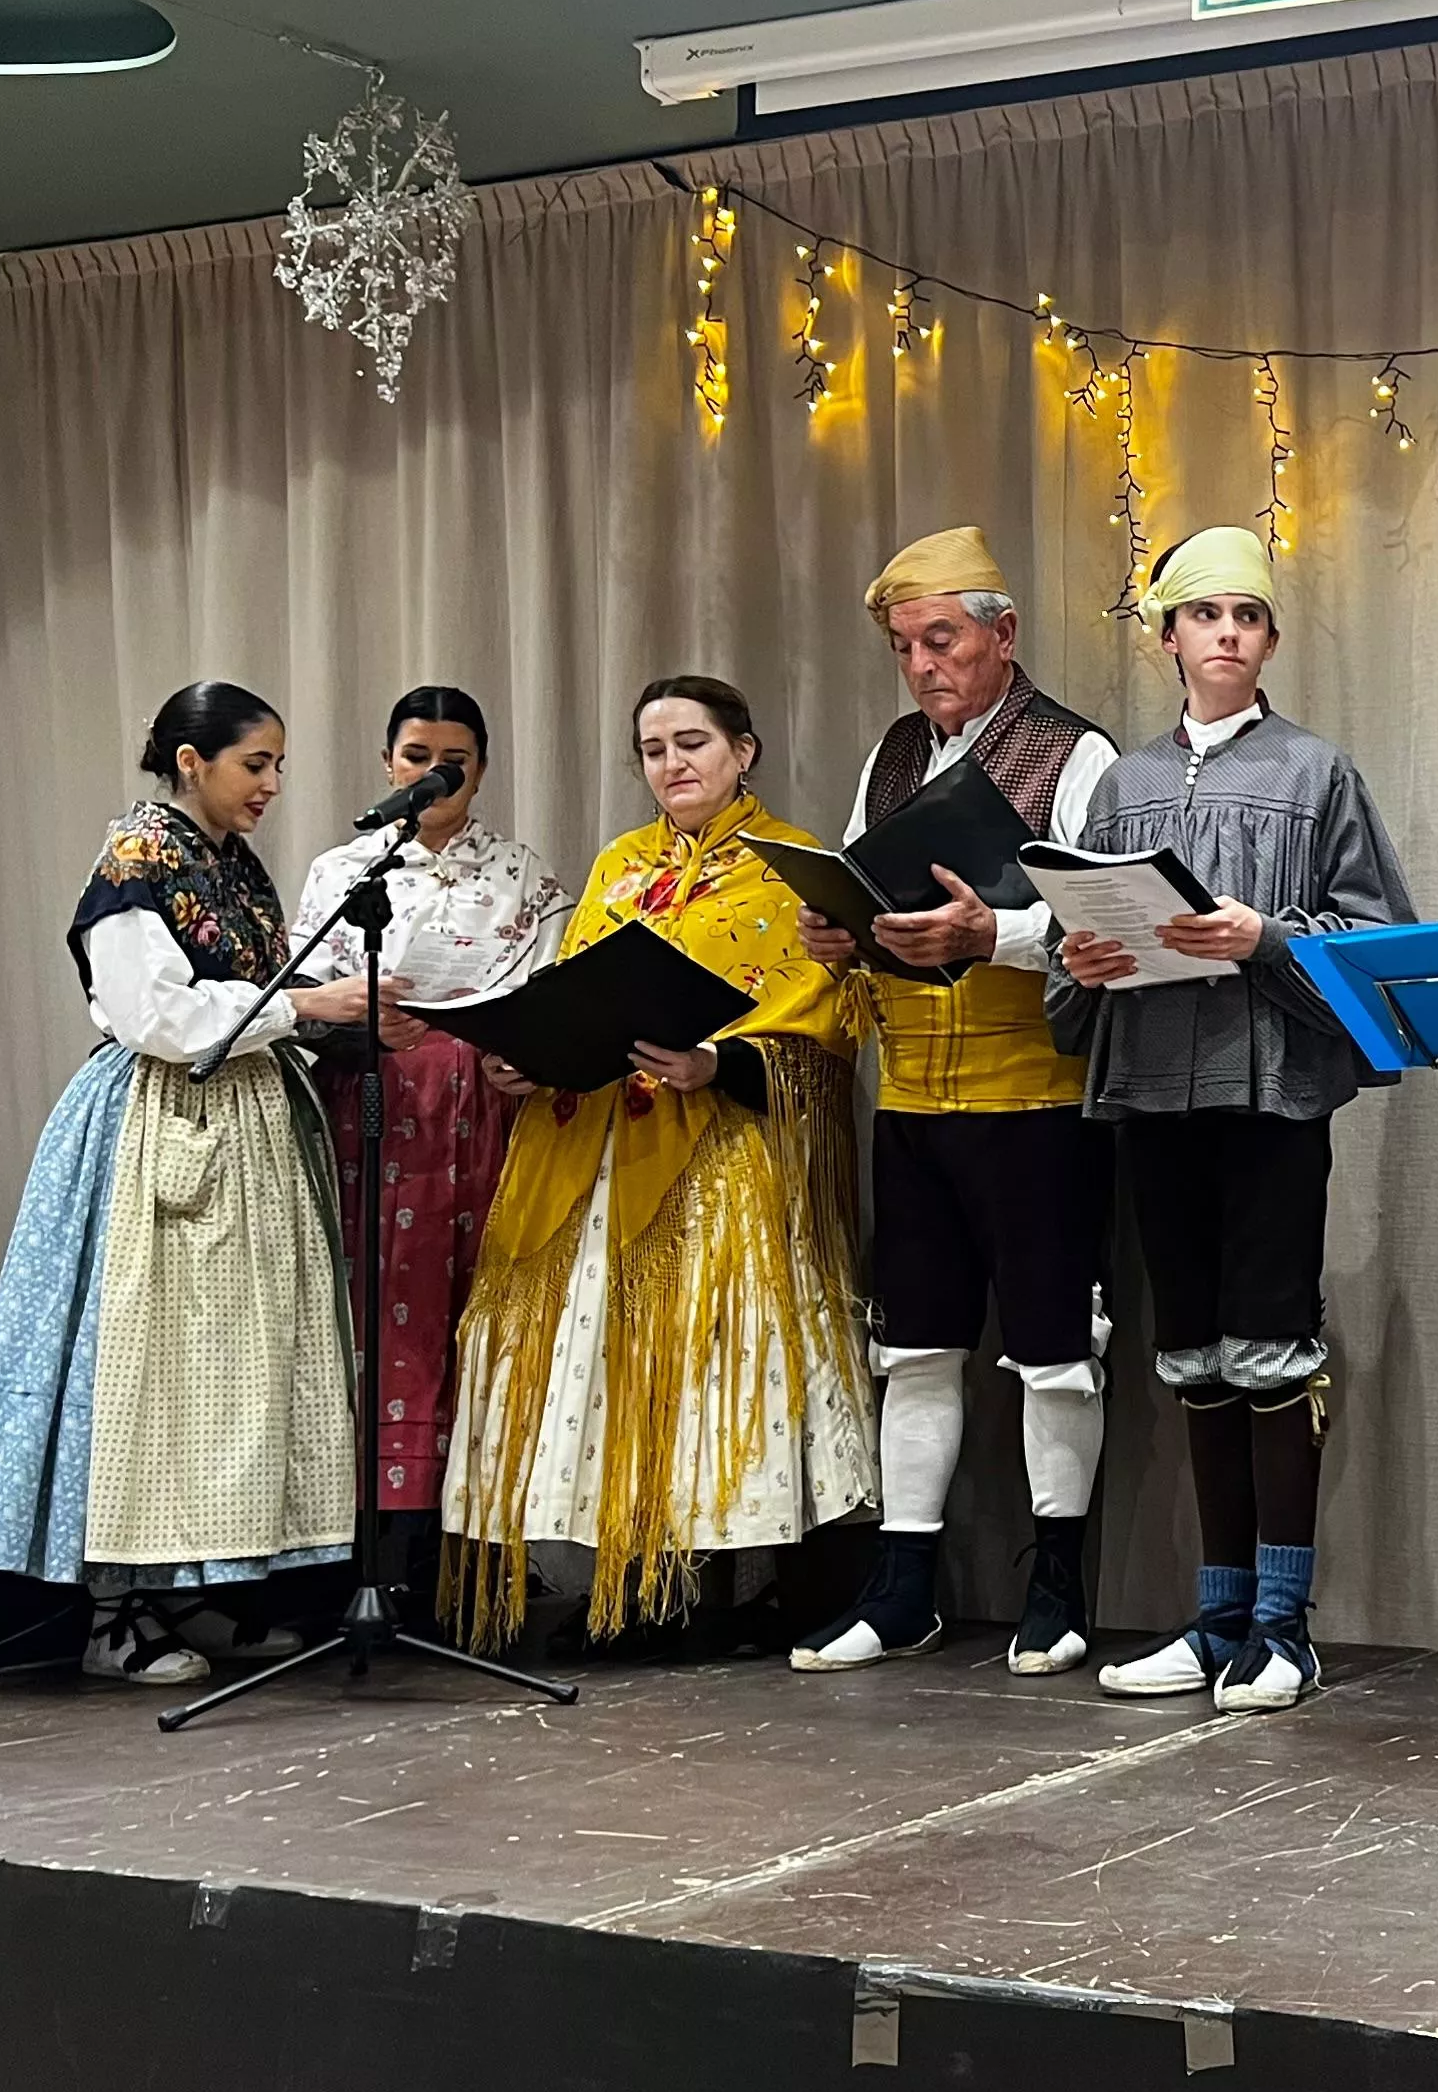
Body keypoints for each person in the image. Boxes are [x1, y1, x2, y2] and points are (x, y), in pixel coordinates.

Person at [0, 684, 369, 1690]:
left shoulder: (226, 862)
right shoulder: (139, 861)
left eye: (275, 765)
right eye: (254, 763)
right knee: (144, 1365)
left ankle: (188, 1585)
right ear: (190, 759)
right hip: (164, 1122)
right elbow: (157, 1017)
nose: (271, 783)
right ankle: (114, 1611)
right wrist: (307, 1004)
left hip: (243, 1117)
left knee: (223, 1373)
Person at [439, 676, 875, 1652]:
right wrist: (530, 1055)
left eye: (693, 744)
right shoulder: (621, 864)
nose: (673, 765)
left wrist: (717, 1061)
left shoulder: (791, 865)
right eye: (654, 750)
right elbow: (576, 992)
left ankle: (721, 1585)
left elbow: (821, 1022)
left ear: (744, 753)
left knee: (713, 1361)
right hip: (600, 1145)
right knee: (597, 1363)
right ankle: (630, 1588)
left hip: (724, 1153)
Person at [1056, 526, 1412, 1714]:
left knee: (1272, 1356)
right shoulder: (1123, 787)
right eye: (1203, 616)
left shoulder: (1318, 774)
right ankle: (1214, 1619)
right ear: (1169, 637)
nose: (1225, 634)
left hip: (1269, 1097)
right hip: (1155, 1091)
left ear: (1268, 640)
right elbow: (1073, 957)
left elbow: (1378, 944)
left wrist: (1266, 937)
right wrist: (1086, 961)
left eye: (1246, 618)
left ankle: (1282, 1624)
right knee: (1194, 1358)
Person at [792, 528, 1122, 1677]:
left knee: (1052, 1351)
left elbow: (1106, 920)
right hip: (913, 1096)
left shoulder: (1075, 755)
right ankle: (904, 1586)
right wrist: (835, 930)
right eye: (905, 648)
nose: (926, 666)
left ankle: (1060, 1583)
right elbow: (855, 881)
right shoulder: (890, 756)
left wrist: (999, 932)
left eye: (944, 639)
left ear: (1004, 634)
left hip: (1035, 1091)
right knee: (915, 1347)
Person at [287, 687, 568, 1610]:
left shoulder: (523, 874)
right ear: (387, 764)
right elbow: (297, 1001)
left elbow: (556, 992)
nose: (433, 774)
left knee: (484, 1310)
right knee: (378, 1318)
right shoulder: (343, 873)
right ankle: (369, 1548)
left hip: (488, 1115)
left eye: (453, 760)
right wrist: (362, 1021)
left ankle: (476, 1552)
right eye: (416, 757)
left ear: (481, 769)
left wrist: (523, 1052)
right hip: (371, 1111)